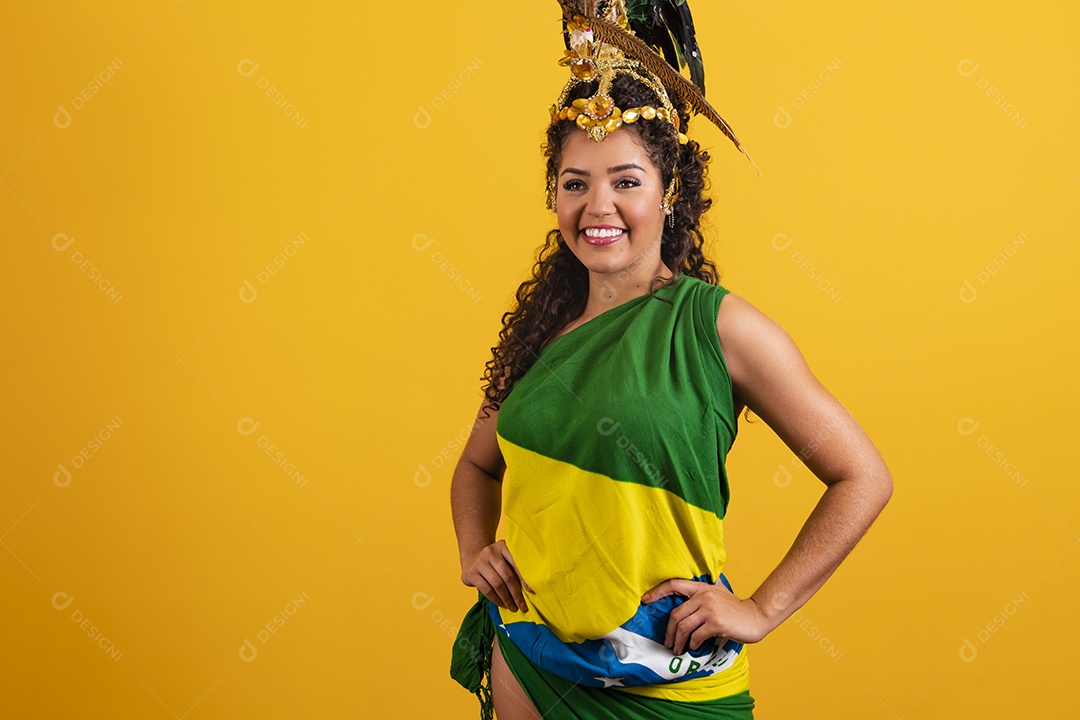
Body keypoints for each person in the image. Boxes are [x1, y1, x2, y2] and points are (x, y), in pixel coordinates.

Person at [449, 3, 892, 718]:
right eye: (575, 182)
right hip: (530, 662)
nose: (598, 205)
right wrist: (476, 550)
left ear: (670, 191)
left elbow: (862, 477)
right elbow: (476, 466)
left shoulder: (719, 328)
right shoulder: (538, 330)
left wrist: (762, 608)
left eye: (626, 181)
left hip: (669, 677)